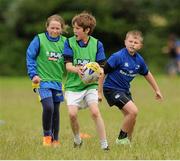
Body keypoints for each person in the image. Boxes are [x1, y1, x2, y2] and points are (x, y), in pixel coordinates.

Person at [102, 30, 163, 146]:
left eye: (136, 42)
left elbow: (147, 74)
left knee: (131, 118)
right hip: (111, 89)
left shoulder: (139, 60)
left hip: (124, 91)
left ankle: (128, 143)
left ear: (140, 46)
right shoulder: (117, 56)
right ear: (125, 42)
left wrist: (157, 90)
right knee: (133, 111)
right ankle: (121, 139)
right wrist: (98, 91)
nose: (132, 44)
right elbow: (102, 72)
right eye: (130, 41)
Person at [63, 11, 109, 150]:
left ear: (87, 30)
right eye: (74, 28)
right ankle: (77, 140)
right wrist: (77, 70)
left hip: (91, 86)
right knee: (72, 114)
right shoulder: (69, 42)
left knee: (95, 112)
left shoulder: (97, 44)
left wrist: (97, 72)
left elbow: (101, 68)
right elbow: (68, 65)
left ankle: (104, 145)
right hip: (72, 86)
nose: (74, 31)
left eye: (77, 28)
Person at [26, 14, 67, 146]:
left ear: (62, 29)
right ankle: (47, 137)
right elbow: (30, 56)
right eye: (52, 28)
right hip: (42, 81)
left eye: (57, 28)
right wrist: (33, 75)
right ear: (47, 27)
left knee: (56, 110)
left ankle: (56, 140)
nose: (55, 31)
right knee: (48, 107)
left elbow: (71, 59)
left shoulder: (66, 42)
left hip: (57, 82)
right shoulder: (39, 39)